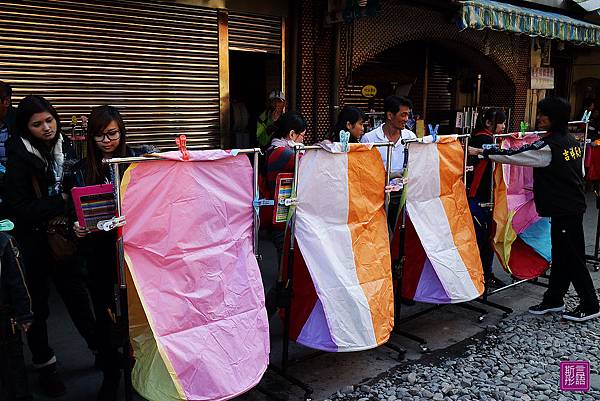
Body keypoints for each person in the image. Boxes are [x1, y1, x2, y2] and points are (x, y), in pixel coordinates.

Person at [471, 96, 600, 322]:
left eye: (543, 114)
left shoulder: (550, 146)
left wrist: (483, 152)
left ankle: (590, 304)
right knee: (561, 255)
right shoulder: (569, 140)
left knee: (572, 257)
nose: (539, 118)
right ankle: (554, 299)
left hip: (565, 208)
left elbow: (517, 156)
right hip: (570, 207)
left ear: (555, 118)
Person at [4, 95, 97, 397]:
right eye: (37, 124)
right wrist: (60, 200)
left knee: (79, 299)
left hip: (65, 239)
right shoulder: (18, 157)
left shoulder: (65, 145)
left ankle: (101, 352)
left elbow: (77, 186)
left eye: (49, 120)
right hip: (34, 244)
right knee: (39, 307)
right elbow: (19, 208)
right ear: (25, 127)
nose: (46, 128)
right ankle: (46, 366)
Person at [71, 105, 154, 401]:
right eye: (99, 136)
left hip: (137, 253)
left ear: (121, 131)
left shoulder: (136, 161)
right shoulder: (80, 171)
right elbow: (74, 213)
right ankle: (111, 373)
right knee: (106, 318)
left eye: (112, 133)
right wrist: (77, 228)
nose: (106, 140)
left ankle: (141, 370)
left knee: (139, 314)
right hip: (99, 256)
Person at [466, 108, 507, 289]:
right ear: (489, 123)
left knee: (484, 237)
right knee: (483, 237)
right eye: (501, 122)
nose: (504, 126)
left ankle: (483, 274)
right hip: (480, 195)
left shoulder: (481, 137)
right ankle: (483, 274)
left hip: (483, 194)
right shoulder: (485, 139)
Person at [361, 96, 416, 229]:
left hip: (403, 194)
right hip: (378, 196)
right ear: (390, 115)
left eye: (408, 115)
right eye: (403, 115)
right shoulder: (369, 138)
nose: (406, 119)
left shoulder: (410, 137)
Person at [0, 230, 33, 401]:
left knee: (13, 364)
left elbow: (18, 281)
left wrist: (24, 313)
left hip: (5, 317)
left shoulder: (4, 242)